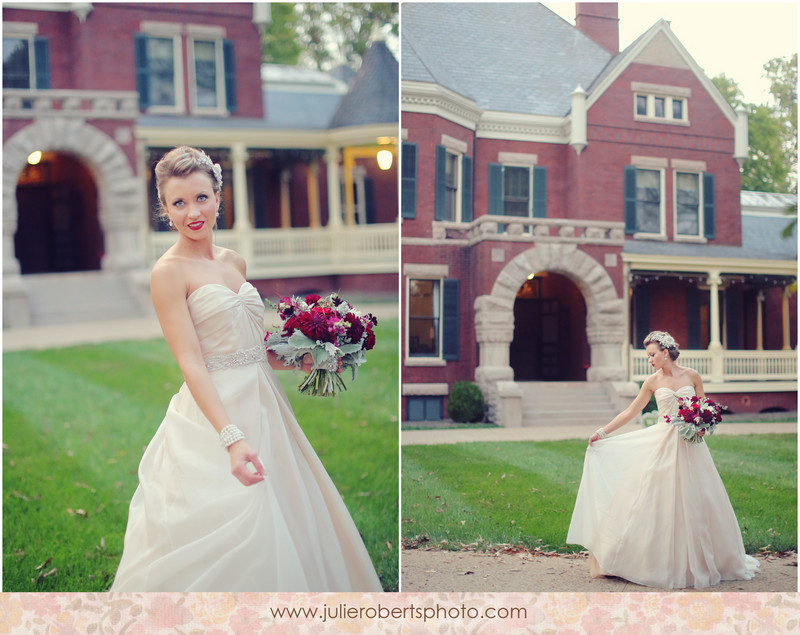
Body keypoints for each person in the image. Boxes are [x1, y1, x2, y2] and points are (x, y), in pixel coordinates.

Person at [110, 146, 382, 591]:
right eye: (178, 203)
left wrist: (305, 355)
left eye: (201, 198)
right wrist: (232, 439)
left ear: (219, 195)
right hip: (214, 411)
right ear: (164, 209)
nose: (192, 212)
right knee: (236, 514)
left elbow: (252, 347)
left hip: (263, 401)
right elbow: (192, 361)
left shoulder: (235, 261)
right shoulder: (168, 273)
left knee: (285, 511)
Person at [566, 330, 759, 589]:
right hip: (662, 443)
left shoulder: (692, 375)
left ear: (665, 353)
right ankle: (634, 559)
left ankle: (705, 560)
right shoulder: (652, 382)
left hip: (692, 446)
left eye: (652, 354)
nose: (650, 360)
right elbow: (631, 411)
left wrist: (702, 424)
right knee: (651, 498)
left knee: (699, 498)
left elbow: (705, 407)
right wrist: (601, 432)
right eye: (648, 356)